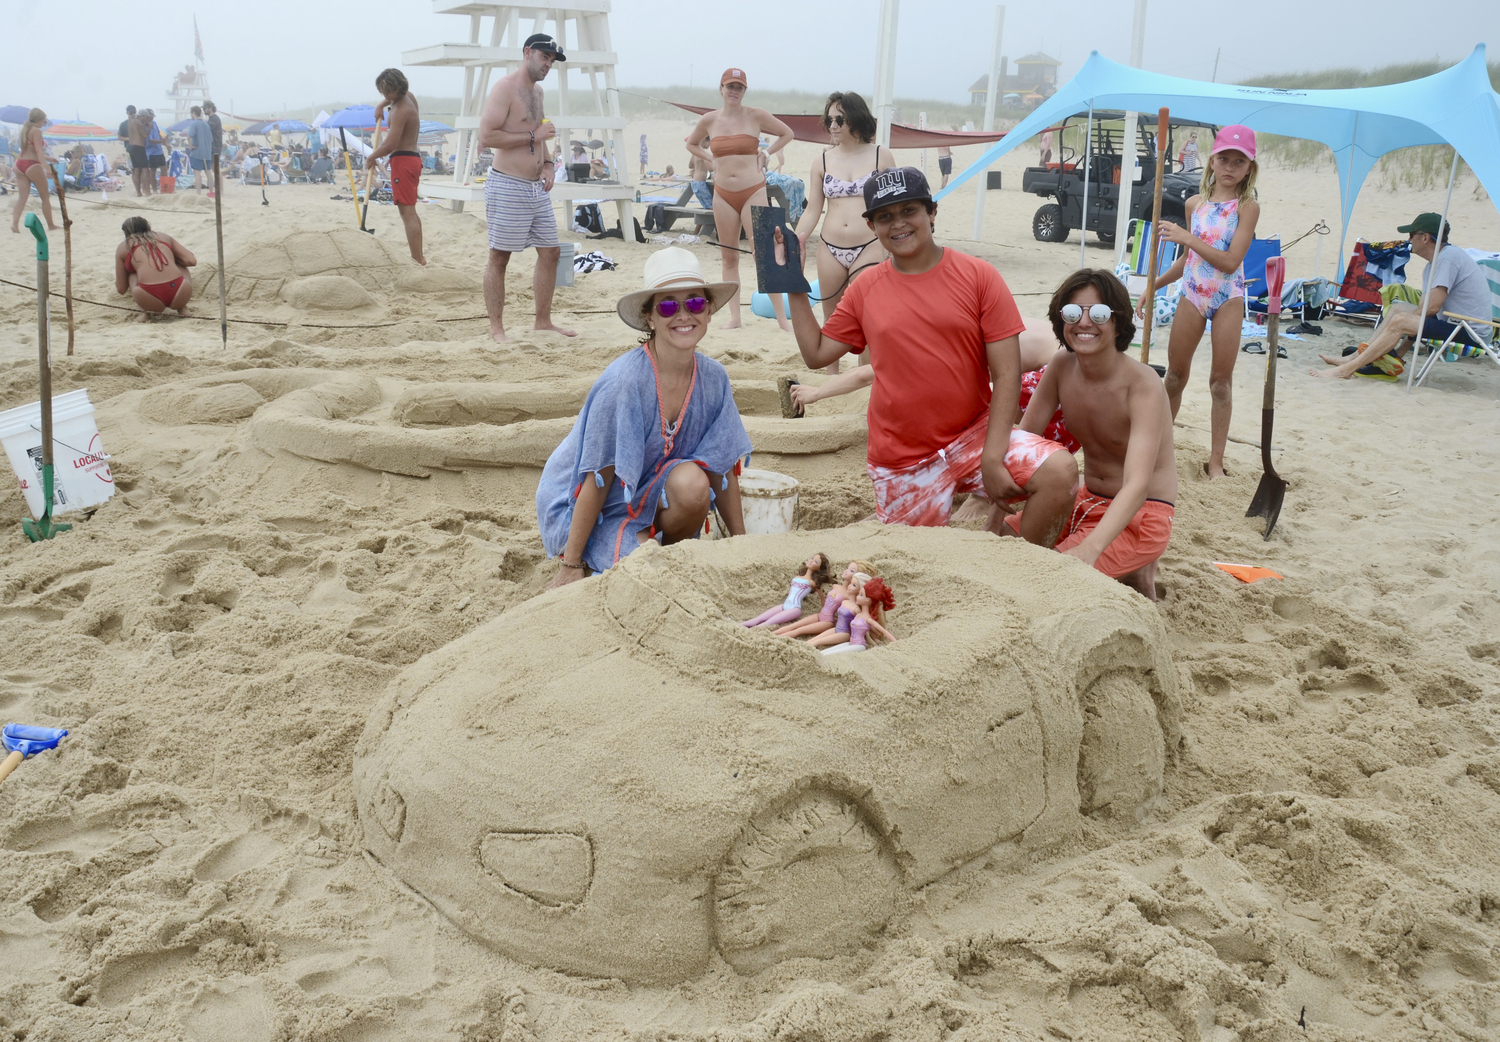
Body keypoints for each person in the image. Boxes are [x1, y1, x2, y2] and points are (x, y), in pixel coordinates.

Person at [787, 167, 1078, 539]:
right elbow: (816, 353)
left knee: (1060, 473)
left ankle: (1014, 564)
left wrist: (993, 455)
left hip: (975, 436)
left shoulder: (979, 276)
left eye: (909, 210)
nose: (898, 224)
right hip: (901, 458)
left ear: (932, 213)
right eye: (885, 216)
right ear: (872, 226)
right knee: (906, 549)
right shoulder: (865, 288)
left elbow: (1006, 374)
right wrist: (794, 286)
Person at [537, 247, 750, 589]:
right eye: (668, 305)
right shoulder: (624, 382)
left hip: (649, 490)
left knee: (695, 484)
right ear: (650, 317)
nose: (683, 315)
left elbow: (723, 467)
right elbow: (599, 474)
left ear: (709, 310)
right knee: (645, 573)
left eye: (694, 302)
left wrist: (743, 547)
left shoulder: (714, 378)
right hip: (583, 505)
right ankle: (618, 550)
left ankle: (662, 549)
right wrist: (571, 562)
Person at [1013, 270, 1177, 599]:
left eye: (1099, 314)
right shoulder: (1062, 366)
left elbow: (1137, 485)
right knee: (1005, 549)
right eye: (1073, 313)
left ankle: (1134, 561)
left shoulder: (1143, 385)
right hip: (1084, 499)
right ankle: (1129, 568)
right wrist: (994, 518)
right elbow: (1022, 442)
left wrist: (1090, 549)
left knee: (1053, 579)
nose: (1084, 323)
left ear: (1118, 322)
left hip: (1141, 512)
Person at [1142, 124, 1260, 479]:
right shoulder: (1196, 204)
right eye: (1224, 158)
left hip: (1228, 298)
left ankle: (1216, 462)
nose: (1230, 167)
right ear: (1212, 161)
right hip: (1193, 294)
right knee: (1175, 376)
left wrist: (1186, 239)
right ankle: (1158, 449)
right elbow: (1187, 261)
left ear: (1249, 169)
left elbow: (1229, 261)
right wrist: (1155, 285)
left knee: (1220, 383)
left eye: (1239, 162)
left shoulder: (1247, 207)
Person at [478, 33, 575, 342]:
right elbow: (487, 137)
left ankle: (543, 321)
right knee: (499, 257)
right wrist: (534, 136)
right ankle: (496, 328)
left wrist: (547, 165)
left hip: (536, 188)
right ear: (527, 53)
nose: (547, 64)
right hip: (507, 184)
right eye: (544, 57)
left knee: (552, 253)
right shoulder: (505, 88)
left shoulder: (539, 93)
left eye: (551, 60)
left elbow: (541, 136)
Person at [1314, 213, 1494, 379]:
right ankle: (1354, 358)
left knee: (1401, 319)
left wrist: (1400, 330)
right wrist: (1399, 351)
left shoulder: (1448, 258)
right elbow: (1424, 310)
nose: (1408, 240)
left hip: (1470, 333)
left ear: (1425, 238)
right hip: (1453, 324)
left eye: (1412, 235)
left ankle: (1346, 370)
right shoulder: (1433, 265)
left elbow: (1432, 307)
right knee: (1399, 309)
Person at [685, 68, 795, 331]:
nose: (734, 91)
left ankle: (782, 319)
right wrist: (711, 159)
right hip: (722, 193)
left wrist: (766, 153)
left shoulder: (755, 115)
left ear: (744, 91)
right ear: (721, 89)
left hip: (753, 190)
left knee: (765, 254)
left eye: (739, 87)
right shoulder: (709, 120)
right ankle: (735, 318)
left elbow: (787, 133)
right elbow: (691, 144)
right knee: (728, 257)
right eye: (729, 86)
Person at [793, 91, 894, 373]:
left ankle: (865, 378)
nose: (833, 125)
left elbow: (894, 205)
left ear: (856, 119)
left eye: (840, 119)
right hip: (830, 245)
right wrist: (796, 240)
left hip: (870, 244)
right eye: (829, 120)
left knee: (870, 315)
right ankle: (831, 377)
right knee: (832, 316)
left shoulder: (881, 156)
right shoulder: (822, 161)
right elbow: (813, 209)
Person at [368, 68, 426, 265]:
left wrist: (372, 156)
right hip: (410, 159)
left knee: (407, 212)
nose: (385, 96)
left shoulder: (402, 110)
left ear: (397, 88)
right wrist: (380, 106)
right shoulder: (407, 97)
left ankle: (417, 259)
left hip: (404, 160)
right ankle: (419, 257)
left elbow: (390, 144)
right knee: (410, 210)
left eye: (387, 92)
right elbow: (389, 100)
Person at [114, 216, 195, 320]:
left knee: (132, 272)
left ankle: (144, 312)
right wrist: (171, 259)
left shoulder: (123, 247)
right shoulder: (163, 236)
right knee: (180, 264)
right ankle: (182, 308)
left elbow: (121, 289)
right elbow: (191, 260)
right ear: (148, 227)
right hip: (180, 292)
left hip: (148, 298)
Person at [10, 109, 58, 234]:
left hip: (20, 164)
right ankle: (51, 225)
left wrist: (49, 158)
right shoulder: (36, 131)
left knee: (22, 197)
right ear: (40, 119)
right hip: (32, 165)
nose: (44, 123)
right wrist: (46, 169)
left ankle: (14, 224)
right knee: (45, 197)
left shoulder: (25, 130)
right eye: (44, 121)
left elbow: (28, 150)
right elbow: (38, 151)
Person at [126, 107, 150, 195]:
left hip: (131, 147)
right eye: (146, 118)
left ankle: (138, 192)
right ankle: (147, 191)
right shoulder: (138, 122)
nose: (147, 120)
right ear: (142, 116)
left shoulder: (131, 122)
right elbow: (144, 135)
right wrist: (150, 128)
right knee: (145, 169)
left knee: (136, 170)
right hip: (138, 147)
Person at [143, 109, 166, 193]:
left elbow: (158, 133)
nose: (152, 119)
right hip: (151, 152)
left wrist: (164, 142)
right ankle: (154, 189)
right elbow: (150, 140)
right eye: (150, 117)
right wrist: (162, 141)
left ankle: (164, 188)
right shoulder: (145, 126)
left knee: (164, 168)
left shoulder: (155, 123)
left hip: (159, 150)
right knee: (153, 171)